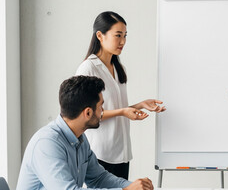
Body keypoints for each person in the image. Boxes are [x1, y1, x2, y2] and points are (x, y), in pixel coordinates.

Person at [16, 75, 154, 190]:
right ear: (88, 112)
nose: (102, 111)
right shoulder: (46, 144)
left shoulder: (80, 139)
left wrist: (134, 186)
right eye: (101, 106)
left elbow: (99, 178)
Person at [76, 11, 166, 179]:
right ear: (100, 36)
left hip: (121, 152)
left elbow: (116, 109)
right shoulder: (88, 68)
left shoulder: (119, 68)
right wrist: (123, 112)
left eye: (125, 36)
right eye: (118, 35)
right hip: (100, 154)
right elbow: (84, 115)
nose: (123, 41)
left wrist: (140, 105)